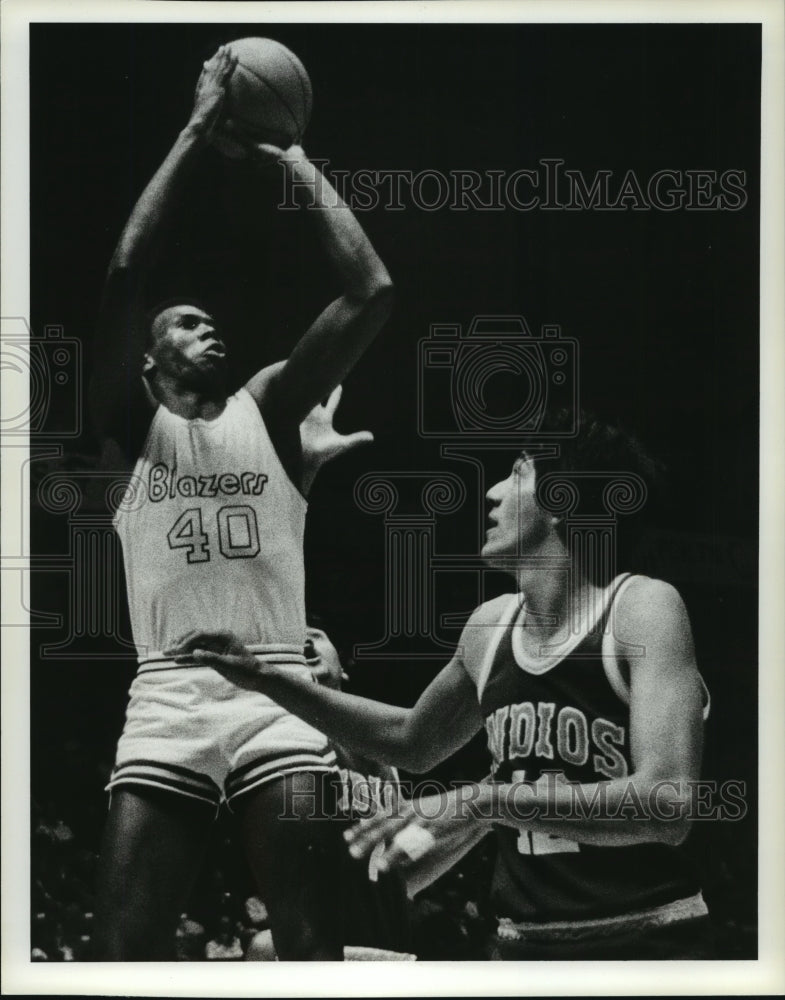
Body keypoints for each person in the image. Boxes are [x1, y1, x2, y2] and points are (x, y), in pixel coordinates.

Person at [170, 412, 716, 960]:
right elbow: (411, 741)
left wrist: (484, 800)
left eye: (517, 474)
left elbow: (667, 805)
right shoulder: (489, 628)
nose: (494, 493)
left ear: (560, 501)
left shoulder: (643, 607)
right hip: (522, 946)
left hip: (647, 937)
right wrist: (267, 678)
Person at [89, 45, 393, 961]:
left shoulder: (267, 409)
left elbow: (370, 290)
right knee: (122, 953)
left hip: (278, 694)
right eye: (183, 322)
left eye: (208, 317)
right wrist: (194, 128)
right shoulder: (127, 428)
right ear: (147, 363)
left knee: (309, 945)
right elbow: (122, 277)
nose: (206, 323)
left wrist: (292, 160)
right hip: (168, 696)